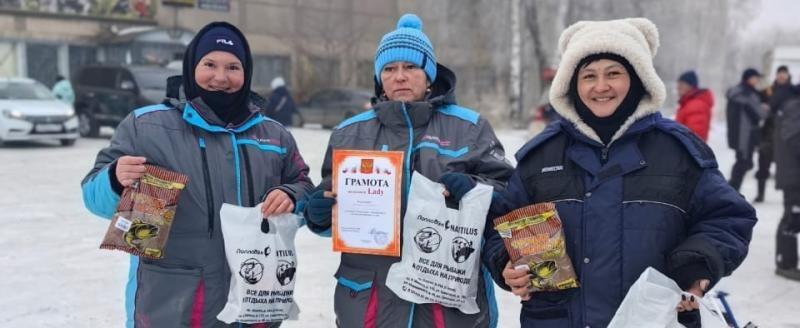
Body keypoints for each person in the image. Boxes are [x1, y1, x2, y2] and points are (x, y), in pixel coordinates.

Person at [480, 18, 757, 328]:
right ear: (573, 84)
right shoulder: (542, 155)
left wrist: (697, 266)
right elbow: (498, 223)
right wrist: (506, 264)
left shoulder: (677, 151)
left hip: (654, 319)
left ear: (638, 79)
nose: (601, 86)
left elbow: (729, 217)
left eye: (614, 73)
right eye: (588, 76)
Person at [81, 21, 313, 327]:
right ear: (192, 67)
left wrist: (292, 195)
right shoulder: (146, 126)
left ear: (246, 73)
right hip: (171, 305)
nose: (221, 77)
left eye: (233, 67)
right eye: (210, 64)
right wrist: (113, 178)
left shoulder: (274, 135)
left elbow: (305, 187)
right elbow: (92, 195)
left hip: (253, 303)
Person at [302, 13, 514, 327]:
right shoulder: (349, 133)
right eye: (389, 69)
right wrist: (318, 214)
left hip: (447, 299)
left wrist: (473, 189)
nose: (400, 77)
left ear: (429, 75)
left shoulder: (469, 127)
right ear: (379, 78)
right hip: (370, 299)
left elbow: (509, 190)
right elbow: (331, 198)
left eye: (411, 67)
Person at [755, 66, 794, 202]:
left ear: (788, 75)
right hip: (768, 134)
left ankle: (789, 197)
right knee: (763, 165)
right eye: (780, 74)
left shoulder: (793, 92)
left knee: (788, 169)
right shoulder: (768, 91)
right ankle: (760, 194)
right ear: (776, 75)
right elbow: (755, 101)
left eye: (784, 74)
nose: (782, 76)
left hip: (786, 136)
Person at [774, 85, 800, 281]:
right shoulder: (795, 107)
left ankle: (786, 261)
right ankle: (785, 264)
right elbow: (793, 139)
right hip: (794, 176)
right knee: (792, 217)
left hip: (793, 174)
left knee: (793, 216)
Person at [726, 68, 764, 192]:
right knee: (744, 163)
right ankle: (731, 191)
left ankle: (731, 191)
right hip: (745, 136)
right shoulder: (746, 94)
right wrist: (767, 107)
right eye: (755, 78)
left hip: (740, 135)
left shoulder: (738, 93)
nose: (757, 80)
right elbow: (761, 113)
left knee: (743, 162)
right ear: (748, 78)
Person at [675, 70, 713, 141]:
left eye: (681, 84)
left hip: (688, 150)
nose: (678, 88)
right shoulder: (688, 103)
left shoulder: (696, 105)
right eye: (678, 84)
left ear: (690, 86)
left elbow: (695, 136)